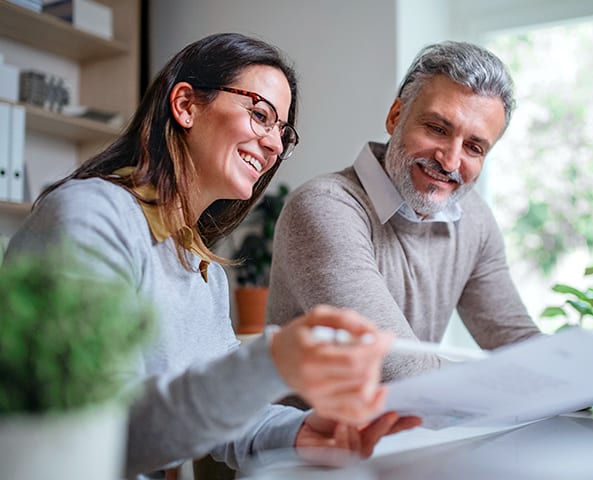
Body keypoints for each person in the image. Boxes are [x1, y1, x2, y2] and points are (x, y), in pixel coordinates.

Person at [3, 33, 421, 479]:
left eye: (283, 132)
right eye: (260, 115)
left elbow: (228, 421)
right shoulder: (93, 214)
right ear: (185, 105)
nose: (275, 146)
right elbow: (99, 428)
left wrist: (305, 431)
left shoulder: (201, 267)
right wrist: (270, 361)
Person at [266, 41, 541, 386]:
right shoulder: (324, 206)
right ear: (396, 116)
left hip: (412, 433)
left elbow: (515, 340)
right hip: (306, 437)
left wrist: (574, 374)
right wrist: (530, 379)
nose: (450, 161)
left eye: (474, 147)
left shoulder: (473, 219)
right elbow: (397, 371)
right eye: (437, 129)